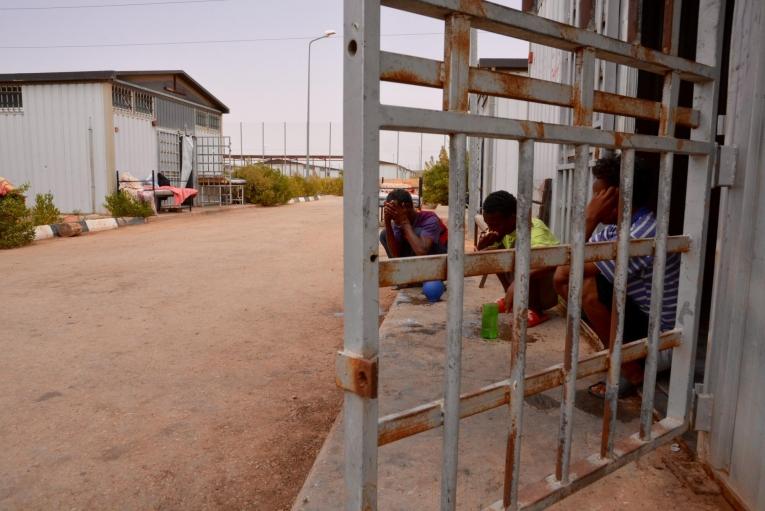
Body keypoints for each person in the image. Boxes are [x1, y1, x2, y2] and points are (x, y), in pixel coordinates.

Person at [553, 153, 679, 398]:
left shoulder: (644, 231)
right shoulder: (615, 228)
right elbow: (562, 275)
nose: (594, 203)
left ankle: (633, 371)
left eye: (599, 196)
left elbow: (565, 270)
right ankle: (619, 353)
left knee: (588, 287)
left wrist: (589, 219)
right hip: (641, 326)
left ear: (619, 195)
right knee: (581, 282)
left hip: (663, 342)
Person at [477, 190, 559, 327]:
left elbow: (550, 262)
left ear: (513, 218)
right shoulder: (506, 229)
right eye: (488, 224)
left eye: (495, 225)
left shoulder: (534, 231)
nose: (491, 229)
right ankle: (513, 300)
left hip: (547, 289)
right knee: (496, 255)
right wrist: (483, 245)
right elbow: (488, 255)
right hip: (523, 282)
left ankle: (536, 310)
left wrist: (518, 281)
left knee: (527, 260)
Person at [380, 188, 448, 258]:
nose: (394, 218)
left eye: (394, 212)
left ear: (406, 206)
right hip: (417, 254)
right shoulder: (397, 221)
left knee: (417, 232)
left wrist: (404, 222)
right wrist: (387, 222)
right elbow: (395, 255)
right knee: (384, 234)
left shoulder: (430, 218)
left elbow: (422, 251)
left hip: (441, 255)